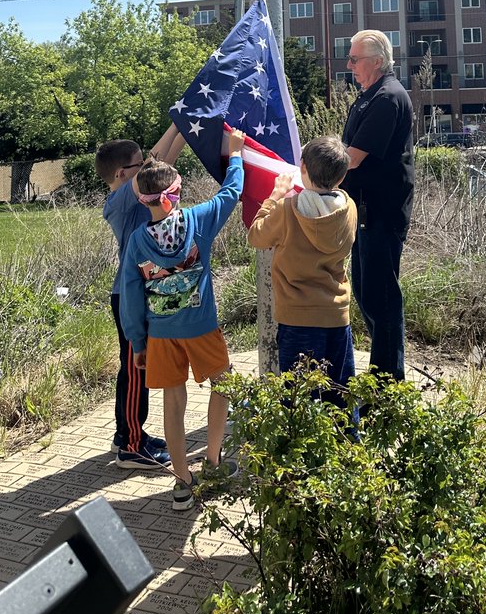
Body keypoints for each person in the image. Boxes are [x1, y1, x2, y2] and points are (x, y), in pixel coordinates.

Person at [119, 130, 245, 511]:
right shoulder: (198, 220)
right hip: (202, 328)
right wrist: (235, 154)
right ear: (175, 193)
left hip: (160, 335)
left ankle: (181, 482)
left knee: (172, 403)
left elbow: (131, 296)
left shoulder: (137, 242)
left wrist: (138, 343)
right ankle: (212, 460)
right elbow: (231, 192)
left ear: (142, 200)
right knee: (225, 384)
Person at [95, 122, 185, 470]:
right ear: (122, 173)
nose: (145, 168)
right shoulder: (117, 202)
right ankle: (131, 446)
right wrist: (177, 121)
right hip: (130, 297)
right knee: (135, 372)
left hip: (142, 293)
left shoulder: (136, 194)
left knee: (136, 371)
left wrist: (183, 127)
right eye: (137, 165)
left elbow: (161, 164)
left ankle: (128, 433)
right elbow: (154, 163)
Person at [247, 136, 357, 401]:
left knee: (297, 399)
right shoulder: (349, 208)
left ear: (303, 168)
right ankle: (349, 440)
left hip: (296, 318)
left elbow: (256, 236)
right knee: (340, 394)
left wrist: (274, 196)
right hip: (335, 314)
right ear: (342, 176)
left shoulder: (287, 209)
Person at [341, 30, 414, 381]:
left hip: (380, 214)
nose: (349, 64)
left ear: (378, 61)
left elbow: (351, 158)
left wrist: (312, 169)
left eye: (356, 59)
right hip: (364, 212)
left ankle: (387, 384)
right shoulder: (368, 96)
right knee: (366, 293)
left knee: (381, 297)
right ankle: (382, 375)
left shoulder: (387, 98)